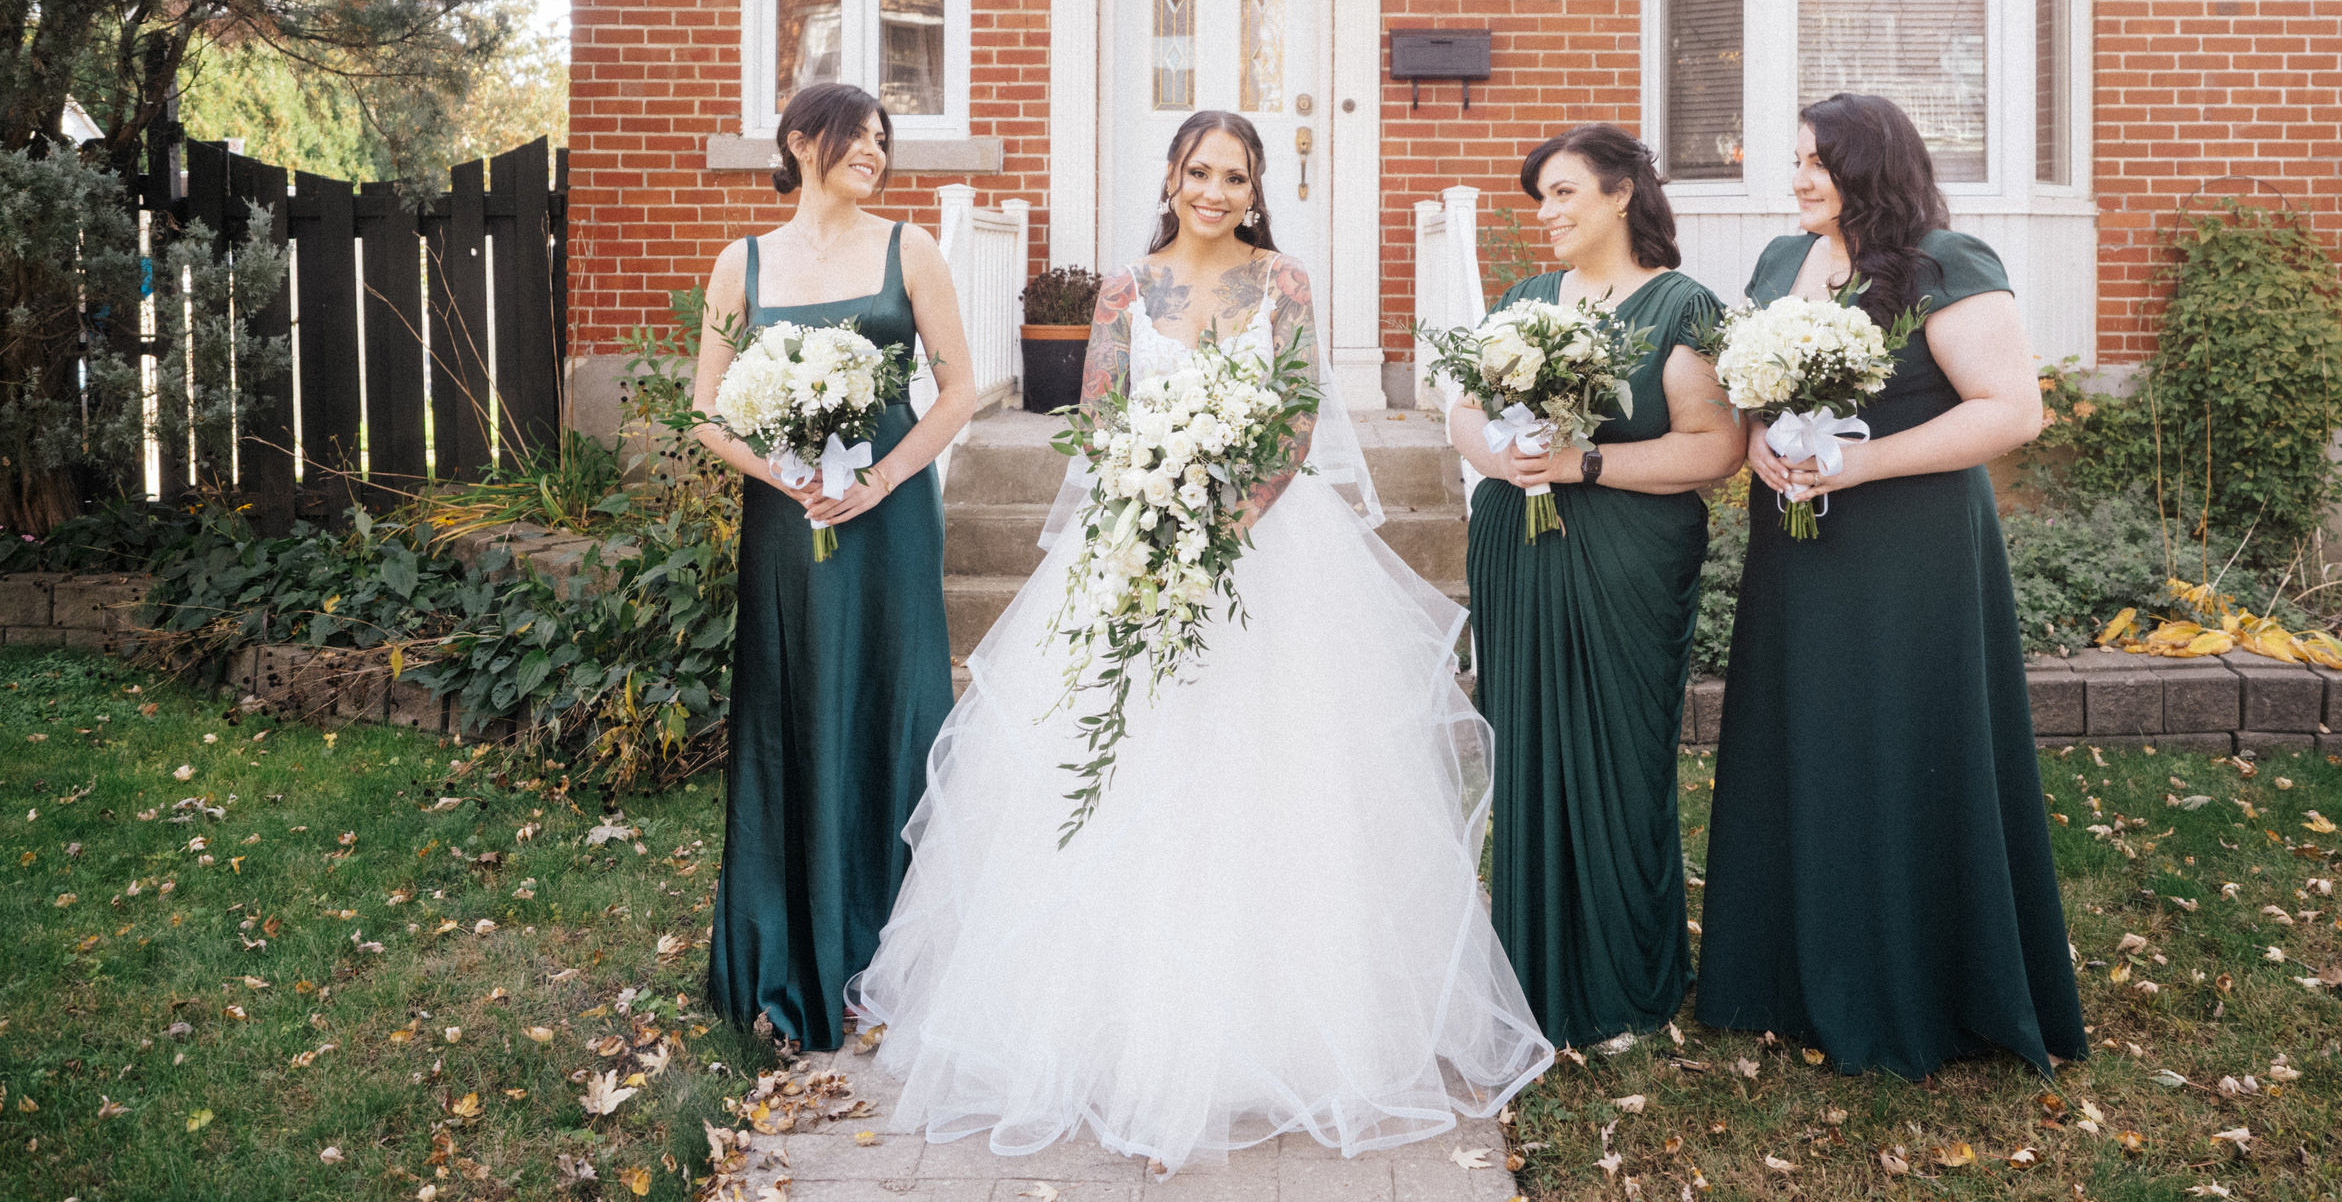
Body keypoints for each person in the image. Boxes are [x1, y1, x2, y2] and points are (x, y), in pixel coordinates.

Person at [855, 109, 1552, 1174]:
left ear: (1256, 191)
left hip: (1270, 551)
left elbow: (1296, 418)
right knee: (1125, 764)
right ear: (1171, 179)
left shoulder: (1284, 283)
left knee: (1278, 769)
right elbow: (1099, 417)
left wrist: (1227, 521)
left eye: (1235, 177)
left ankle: (1298, 1031)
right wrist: (1153, 504)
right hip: (1141, 536)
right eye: (1199, 172)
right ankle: (1103, 1028)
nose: (1215, 192)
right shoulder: (1126, 291)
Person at [1694, 92, 2085, 1078]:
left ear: (1868, 168)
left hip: (1909, 546)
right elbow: (1754, 387)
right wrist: (1759, 440)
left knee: (1896, 736)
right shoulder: (1781, 262)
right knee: (1803, 733)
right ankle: (1782, 977)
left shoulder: (1945, 265)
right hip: (1796, 539)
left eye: (1816, 163)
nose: (1796, 179)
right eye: (1794, 160)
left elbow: (2011, 411)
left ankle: (1917, 979)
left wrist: (1861, 464)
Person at [693, 83, 978, 1053]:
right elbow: (706, 410)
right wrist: (782, 473)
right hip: (790, 521)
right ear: (798, 141)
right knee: (799, 705)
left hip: (890, 519)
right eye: (857, 134)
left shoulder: (912, 250)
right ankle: (799, 948)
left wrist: (884, 478)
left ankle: (903, 956)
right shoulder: (742, 264)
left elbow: (958, 389)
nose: (875, 150)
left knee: (895, 702)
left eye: (883, 139)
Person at [1450, 125, 1747, 1046]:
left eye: (1565, 192)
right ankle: (1530, 973)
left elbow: (1717, 447)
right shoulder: (1524, 301)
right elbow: (1463, 408)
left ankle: (1623, 984)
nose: (1547, 213)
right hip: (1516, 548)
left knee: (1621, 758)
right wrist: (1501, 455)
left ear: (1622, 194)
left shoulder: (1681, 306)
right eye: (1540, 196)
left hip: (1627, 559)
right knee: (1525, 751)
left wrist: (1580, 464)